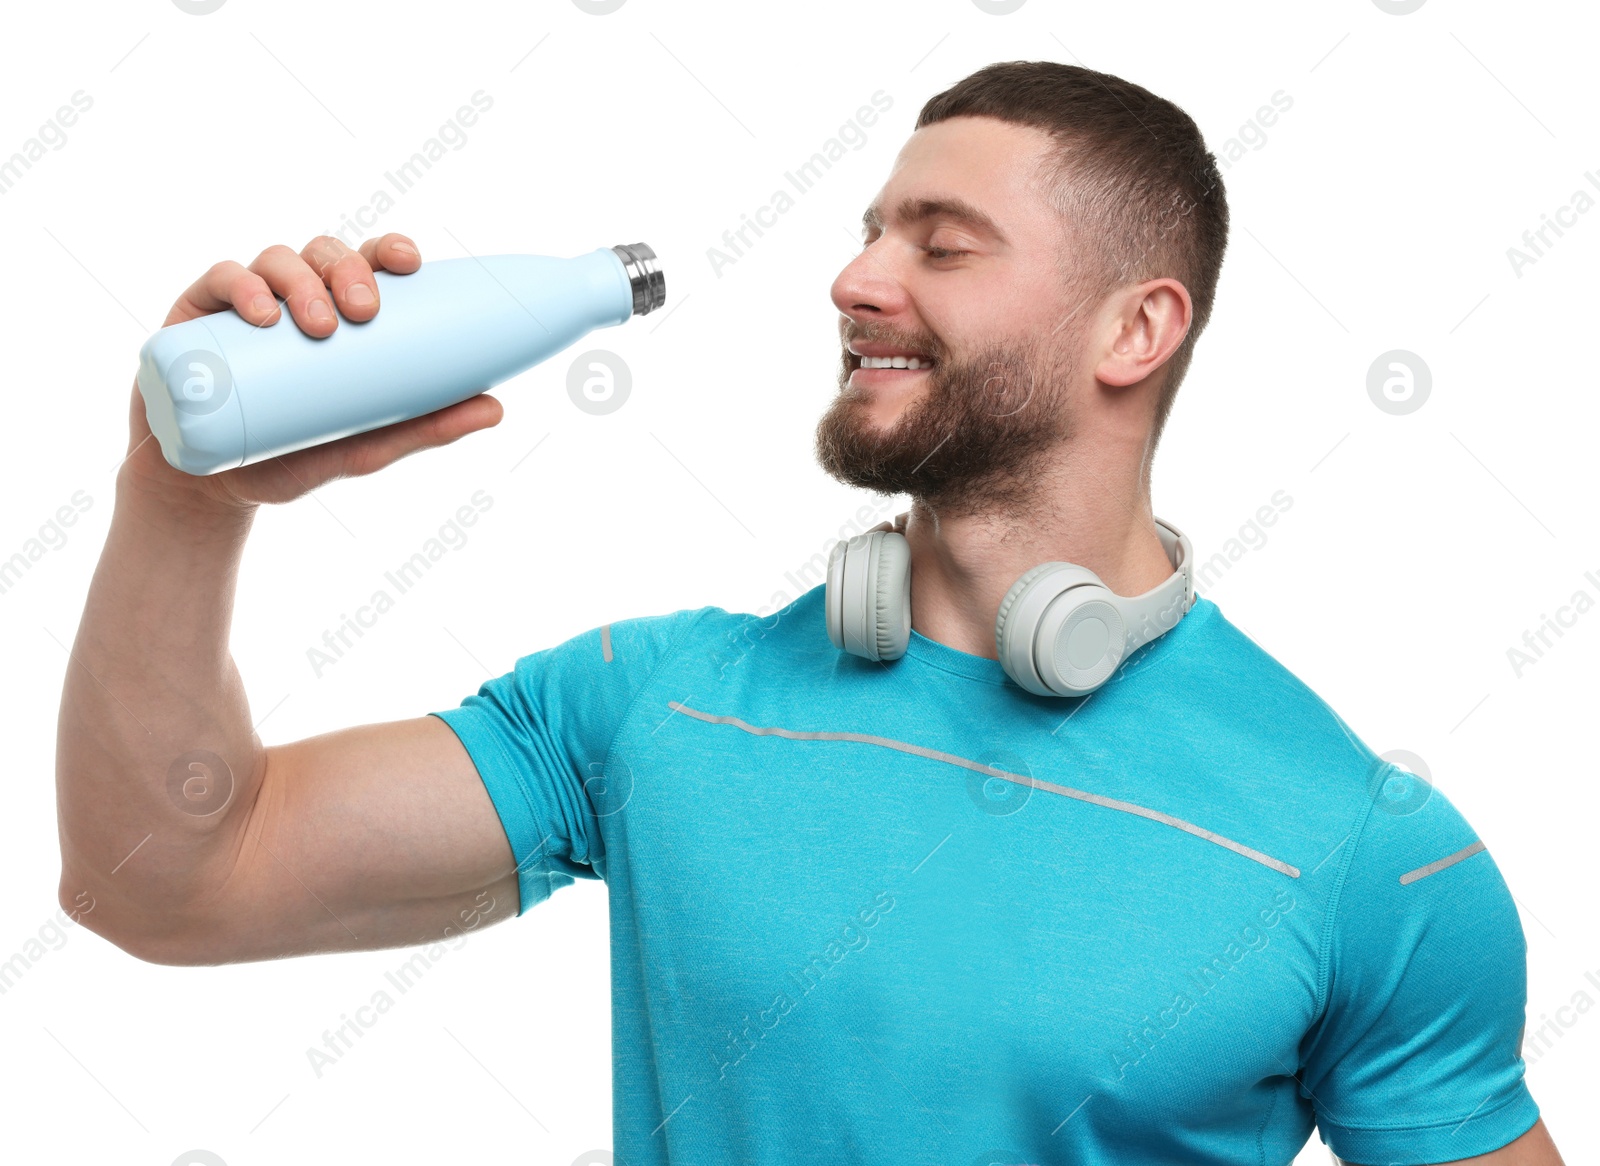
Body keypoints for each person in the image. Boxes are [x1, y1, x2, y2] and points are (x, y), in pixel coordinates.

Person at [56, 60, 1563, 1165]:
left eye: (941, 243)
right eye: (868, 230)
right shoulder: (654, 701)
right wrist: (183, 503)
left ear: (1138, 327)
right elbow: (165, 879)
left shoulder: (1357, 844)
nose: (853, 278)